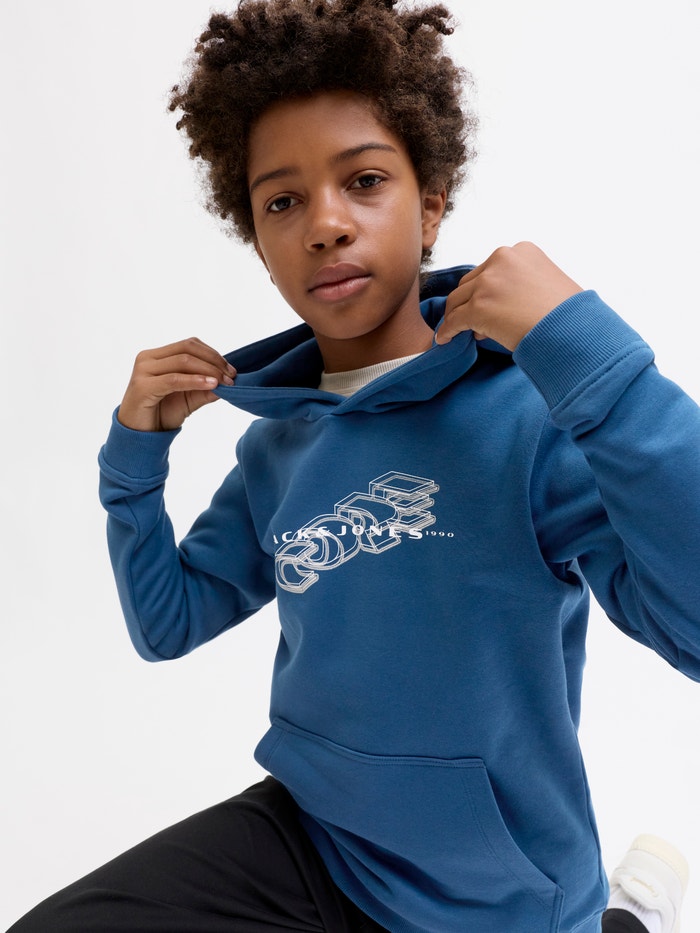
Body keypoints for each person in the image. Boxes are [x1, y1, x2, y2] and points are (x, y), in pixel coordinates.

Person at [8, 1, 697, 931]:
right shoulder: (275, 444)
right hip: (312, 838)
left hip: (488, 894)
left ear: (432, 204)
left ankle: (628, 912)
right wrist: (134, 463)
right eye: (282, 201)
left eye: (365, 180)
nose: (325, 224)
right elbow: (167, 625)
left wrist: (591, 353)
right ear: (259, 243)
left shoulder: (528, 417)